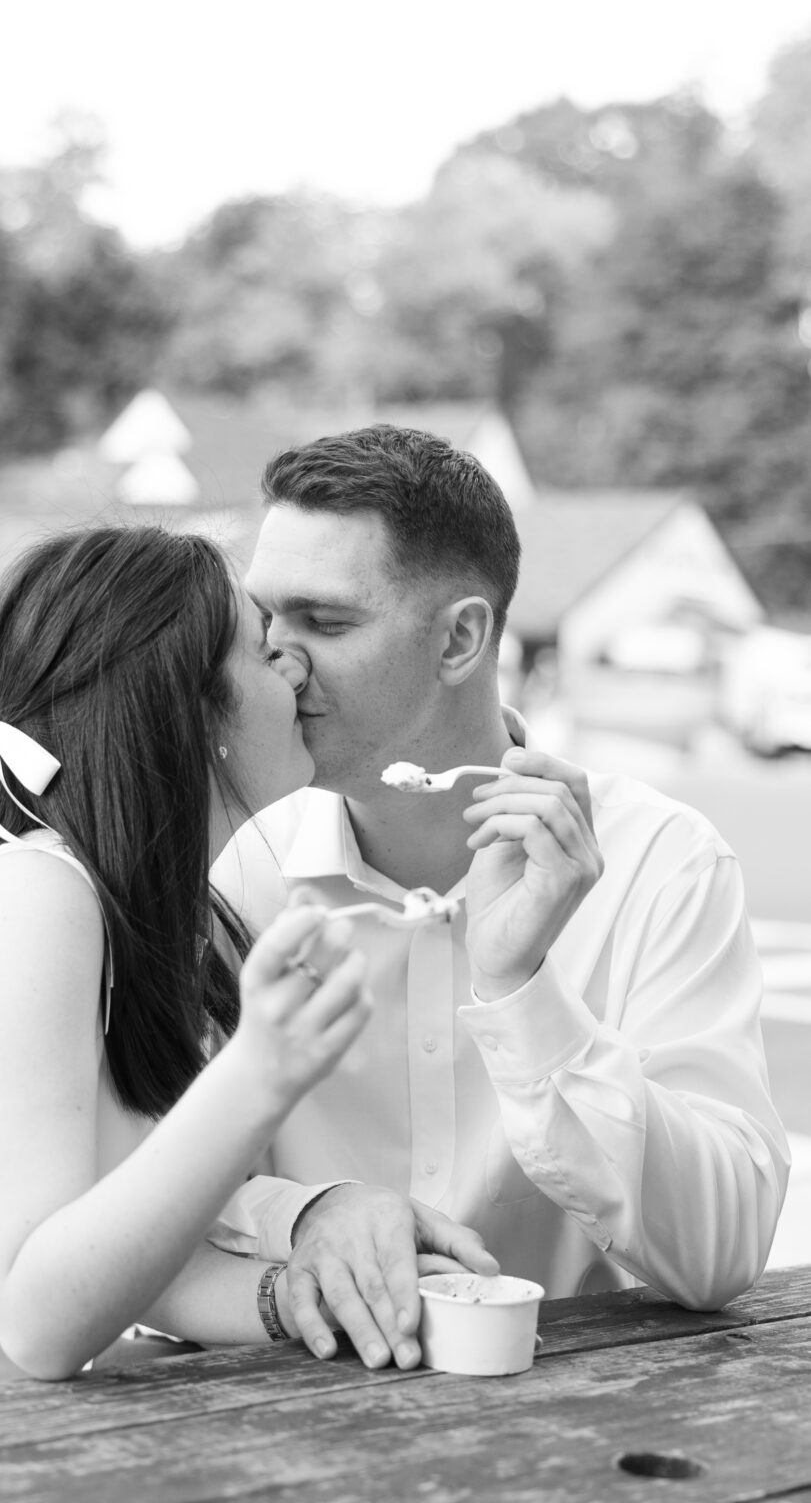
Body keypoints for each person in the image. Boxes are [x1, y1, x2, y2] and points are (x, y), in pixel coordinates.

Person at [0, 523, 493, 1420]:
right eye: (262, 650)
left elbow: (124, 1257)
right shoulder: (29, 898)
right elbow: (37, 1315)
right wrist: (260, 1071)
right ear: (187, 712)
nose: (294, 668)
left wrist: (301, 1292)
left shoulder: (145, 913)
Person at [210, 424, 790, 1374]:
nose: (278, 659)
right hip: (270, 1411)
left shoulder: (663, 862)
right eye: (265, 619)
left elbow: (722, 1256)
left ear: (462, 638)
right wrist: (304, 1214)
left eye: (325, 621)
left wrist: (524, 992)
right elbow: (134, 1187)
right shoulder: (235, 864)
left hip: (580, 1424)